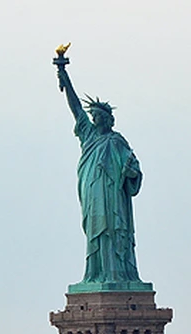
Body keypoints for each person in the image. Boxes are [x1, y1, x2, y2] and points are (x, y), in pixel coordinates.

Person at [56, 62, 144, 286]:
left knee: (113, 230)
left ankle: (117, 274)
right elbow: (75, 108)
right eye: (93, 115)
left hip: (112, 194)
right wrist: (64, 77)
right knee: (96, 230)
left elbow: (133, 169)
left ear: (107, 119)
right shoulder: (88, 134)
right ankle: (96, 273)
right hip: (92, 191)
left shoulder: (117, 141)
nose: (94, 119)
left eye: (98, 116)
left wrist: (131, 173)